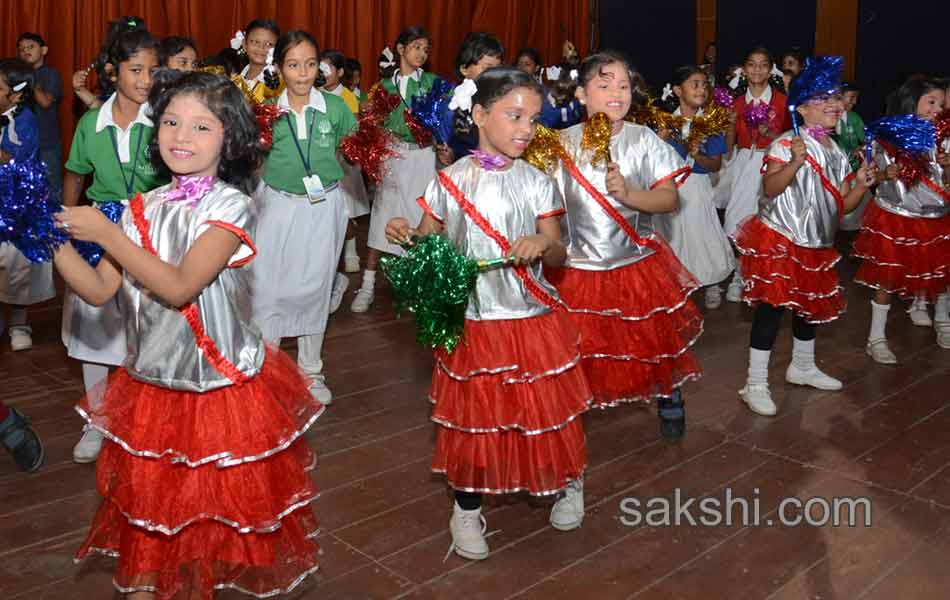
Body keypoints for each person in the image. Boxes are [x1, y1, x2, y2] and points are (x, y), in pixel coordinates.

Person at [55, 69, 322, 599]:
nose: (182, 136)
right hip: (153, 384)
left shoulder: (231, 205)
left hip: (218, 387)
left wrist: (107, 231)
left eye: (203, 127)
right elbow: (98, 289)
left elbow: (179, 287)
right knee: (156, 509)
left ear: (231, 138)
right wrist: (45, 236)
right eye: (172, 122)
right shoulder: (140, 209)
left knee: (211, 513)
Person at [386, 66, 591, 561]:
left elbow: (561, 253)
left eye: (533, 119)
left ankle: (568, 481)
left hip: (529, 319)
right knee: (473, 419)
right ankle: (466, 506)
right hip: (473, 324)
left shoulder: (539, 182)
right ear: (479, 115)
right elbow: (430, 245)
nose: (525, 128)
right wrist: (407, 236)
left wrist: (543, 242)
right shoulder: (447, 183)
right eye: (514, 115)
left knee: (545, 408)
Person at [545, 51, 702, 441]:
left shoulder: (642, 139)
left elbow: (668, 199)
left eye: (623, 85)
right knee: (578, 344)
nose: (616, 92)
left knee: (650, 336)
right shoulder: (557, 145)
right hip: (577, 267)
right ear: (581, 94)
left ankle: (669, 393)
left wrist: (630, 194)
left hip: (635, 261)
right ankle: (569, 411)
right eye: (604, 84)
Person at [734, 56, 875, 416]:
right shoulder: (785, 143)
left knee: (808, 308)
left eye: (837, 98)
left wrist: (860, 185)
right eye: (823, 99)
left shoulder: (836, 151)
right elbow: (769, 186)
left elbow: (842, 204)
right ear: (803, 108)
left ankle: (803, 366)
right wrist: (795, 163)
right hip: (781, 237)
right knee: (772, 309)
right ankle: (755, 383)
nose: (834, 104)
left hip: (815, 243)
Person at [62, 26, 166, 464]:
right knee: (95, 323)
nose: (145, 80)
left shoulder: (165, 118)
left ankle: (155, 418)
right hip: (101, 222)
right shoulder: (92, 122)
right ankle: (99, 419)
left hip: (152, 222)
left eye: (152, 71)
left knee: (156, 325)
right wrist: (66, 226)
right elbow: (75, 176)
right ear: (113, 71)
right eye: (135, 70)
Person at [251, 31, 357, 405]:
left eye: (310, 64)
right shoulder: (266, 111)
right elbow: (250, 157)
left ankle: (310, 370)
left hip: (323, 205)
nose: (302, 74)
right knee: (268, 287)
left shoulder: (336, 108)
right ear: (279, 68)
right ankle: (265, 370)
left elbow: (356, 149)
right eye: (293, 65)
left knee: (316, 284)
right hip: (276, 205)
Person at [854, 76, 950, 361]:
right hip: (896, 215)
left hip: (936, 216)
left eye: (941, 103)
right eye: (930, 102)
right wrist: (886, 174)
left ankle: (943, 321)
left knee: (941, 274)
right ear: (912, 103)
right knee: (888, 278)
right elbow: (873, 175)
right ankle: (876, 337)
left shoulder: (944, 137)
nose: (936, 108)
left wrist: (947, 167)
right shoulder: (890, 137)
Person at [353, 26, 438, 313]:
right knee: (381, 219)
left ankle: (420, 286)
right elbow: (370, 124)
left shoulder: (433, 83)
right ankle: (367, 285)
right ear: (401, 49)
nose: (422, 54)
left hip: (424, 156)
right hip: (393, 156)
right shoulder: (383, 88)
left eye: (426, 49)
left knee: (421, 218)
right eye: (416, 47)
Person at [654, 65, 736, 309]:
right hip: (670, 188)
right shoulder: (665, 123)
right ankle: (679, 282)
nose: (701, 89)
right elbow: (649, 160)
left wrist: (697, 154)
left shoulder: (710, 124)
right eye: (695, 84)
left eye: (704, 85)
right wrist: (659, 142)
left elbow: (714, 165)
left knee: (703, 233)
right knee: (675, 236)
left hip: (698, 187)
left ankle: (712, 281)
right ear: (678, 90)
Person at [0, 58, 54, 352]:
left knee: (17, 266)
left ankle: (19, 322)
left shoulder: (26, 121)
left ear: (17, 93)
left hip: (18, 204)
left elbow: (16, 160)